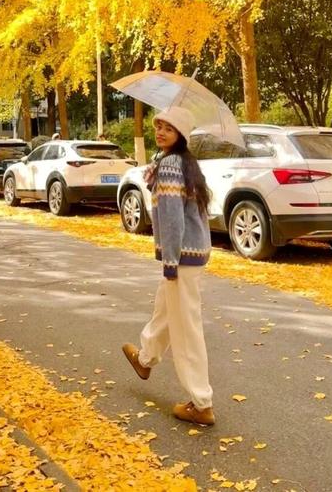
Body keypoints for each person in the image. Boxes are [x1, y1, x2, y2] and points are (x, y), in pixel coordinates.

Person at [121, 105, 215, 426]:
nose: (160, 132)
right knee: (166, 308)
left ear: (181, 136)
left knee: (186, 329)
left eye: (168, 129)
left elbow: (174, 218)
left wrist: (171, 261)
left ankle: (201, 403)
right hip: (193, 254)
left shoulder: (172, 166)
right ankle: (145, 359)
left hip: (182, 256)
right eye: (158, 125)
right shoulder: (181, 163)